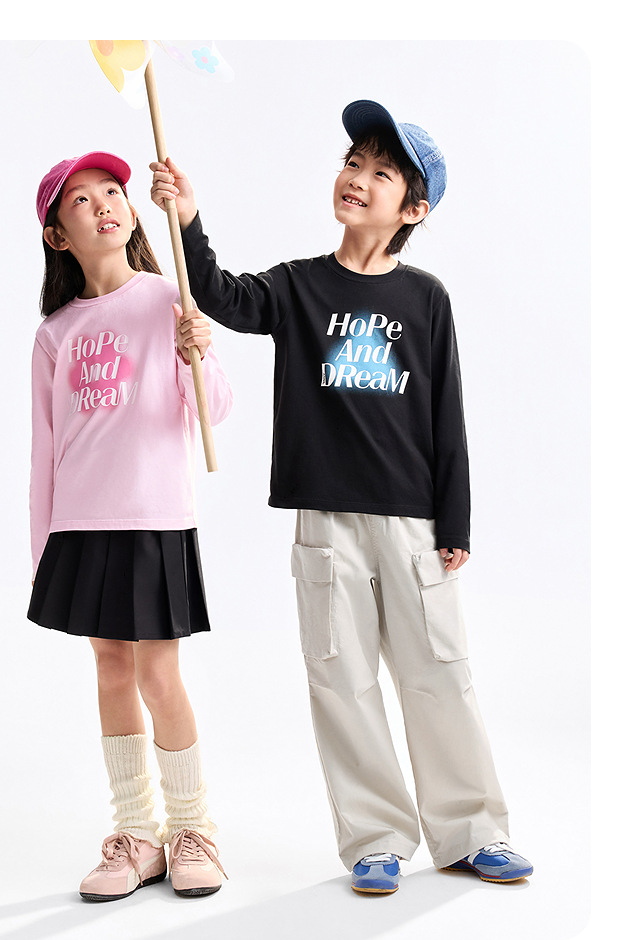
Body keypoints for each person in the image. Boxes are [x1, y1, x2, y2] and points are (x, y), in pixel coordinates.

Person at [150, 100, 533, 895]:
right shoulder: (298, 286)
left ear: (413, 210)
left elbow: (447, 415)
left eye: (381, 173)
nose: (357, 178)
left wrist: (455, 519)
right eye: (352, 162)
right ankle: (376, 840)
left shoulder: (426, 299)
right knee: (343, 681)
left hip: (414, 522)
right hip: (325, 522)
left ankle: (472, 831)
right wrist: (187, 217)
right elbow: (220, 294)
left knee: (440, 674)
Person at [28, 152, 231, 902]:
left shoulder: (166, 299)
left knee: (158, 673)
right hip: (80, 524)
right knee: (112, 669)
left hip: (154, 517)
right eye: (81, 201)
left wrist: (197, 353)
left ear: (134, 209)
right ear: (58, 236)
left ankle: (193, 828)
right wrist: (43, 549)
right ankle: (137, 834)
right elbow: (44, 449)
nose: (104, 205)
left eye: (113, 192)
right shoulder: (55, 334)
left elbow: (214, 408)